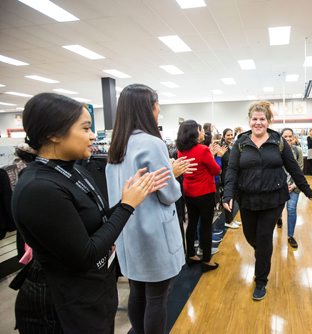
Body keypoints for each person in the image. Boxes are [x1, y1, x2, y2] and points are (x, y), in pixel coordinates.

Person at [12, 92, 168, 333]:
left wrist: (133, 196)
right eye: (85, 128)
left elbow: (96, 222)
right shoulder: (39, 188)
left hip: (91, 295)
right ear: (53, 134)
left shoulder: (73, 171)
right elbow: (86, 254)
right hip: (63, 307)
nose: (93, 135)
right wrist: (126, 206)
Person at [106, 84, 185, 334]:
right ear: (148, 107)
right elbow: (169, 193)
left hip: (127, 231)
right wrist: (174, 175)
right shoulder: (151, 143)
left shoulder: (117, 145)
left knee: (137, 290)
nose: (159, 109)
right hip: (154, 233)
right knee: (157, 298)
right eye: (157, 103)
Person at [223, 101, 312, 301]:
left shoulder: (278, 142)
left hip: (273, 199)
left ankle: (261, 280)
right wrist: (228, 194)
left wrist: (307, 190)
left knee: (265, 237)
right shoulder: (240, 144)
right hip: (247, 199)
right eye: (254, 119)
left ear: (268, 121)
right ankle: (263, 251)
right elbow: (232, 170)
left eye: (262, 119)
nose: (258, 123)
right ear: (249, 121)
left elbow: (293, 168)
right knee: (251, 236)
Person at [177, 120, 221, 272]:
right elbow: (216, 170)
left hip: (189, 192)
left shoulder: (180, 150)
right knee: (206, 226)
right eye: (200, 130)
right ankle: (206, 260)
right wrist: (213, 155)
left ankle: (191, 255)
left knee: (192, 223)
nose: (203, 133)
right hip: (205, 192)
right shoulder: (203, 150)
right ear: (194, 133)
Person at [281, 128, 304, 248]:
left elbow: (300, 170)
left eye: (290, 136)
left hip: (294, 187)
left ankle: (290, 236)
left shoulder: (298, 151)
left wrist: (294, 185)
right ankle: (278, 219)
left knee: (291, 209)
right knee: (278, 209)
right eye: (285, 136)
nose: (288, 139)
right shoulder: (276, 152)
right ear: (281, 138)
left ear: (294, 137)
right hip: (280, 187)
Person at [220, 128, 241, 229]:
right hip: (226, 177)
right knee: (229, 198)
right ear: (224, 136)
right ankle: (228, 221)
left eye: (231, 134)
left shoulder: (231, 146)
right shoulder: (222, 148)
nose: (230, 137)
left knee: (233, 198)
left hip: (233, 176)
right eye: (228, 135)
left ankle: (231, 219)